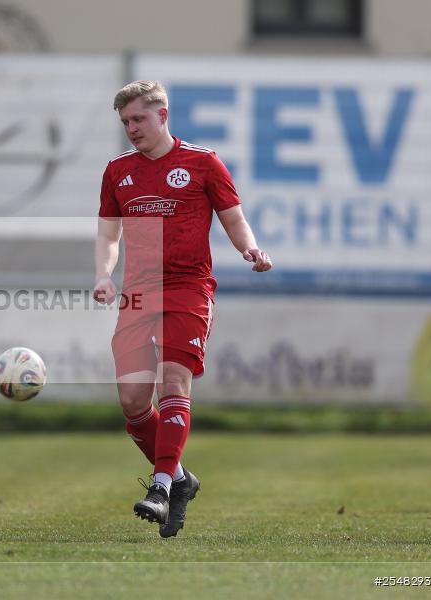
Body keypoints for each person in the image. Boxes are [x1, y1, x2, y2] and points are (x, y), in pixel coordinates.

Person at [94, 80, 272, 538]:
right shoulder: (118, 171)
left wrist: (250, 250)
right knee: (134, 403)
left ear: (163, 115)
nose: (132, 129)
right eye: (126, 122)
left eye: (139, 119)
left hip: (189, 287)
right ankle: (180, 478)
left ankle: (159, 486)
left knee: (174, 378)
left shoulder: (202, 162)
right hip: (138, 291)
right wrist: (104, 275)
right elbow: (109, 234)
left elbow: (234, 218)